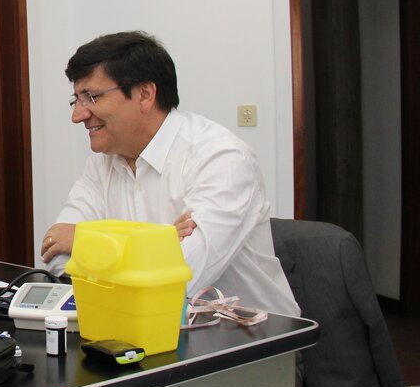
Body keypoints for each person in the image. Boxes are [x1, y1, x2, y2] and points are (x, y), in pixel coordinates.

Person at [40, 31, 299, 317]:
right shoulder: (102, 162)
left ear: (145, 94)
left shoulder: (221, 158)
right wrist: (158, 242)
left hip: (250, 341)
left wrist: (85, 240)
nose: (78, 115)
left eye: (91, 97)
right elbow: (57, 254)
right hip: (133, 325)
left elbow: (180, 279)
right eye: (76, 100)